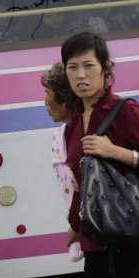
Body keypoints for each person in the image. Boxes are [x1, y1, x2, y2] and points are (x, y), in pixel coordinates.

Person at [62, 32, 139, 278]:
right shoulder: (74, 123)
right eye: (73, 67)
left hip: (132, 239)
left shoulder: (125, 110)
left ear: (104, 68)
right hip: (96, 243)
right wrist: (76, 225)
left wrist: (116, 152)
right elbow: (83, 180)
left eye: (89, 65)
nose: (81, 75)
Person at [41, 62, 83, 262]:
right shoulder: (63, 134)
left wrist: (77, 225)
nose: (45, 102)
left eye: (47, 93)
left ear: (65, 99)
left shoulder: (85, 131)